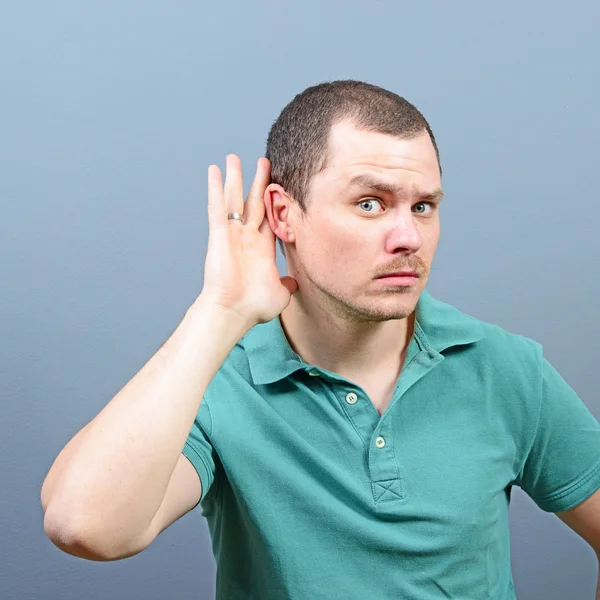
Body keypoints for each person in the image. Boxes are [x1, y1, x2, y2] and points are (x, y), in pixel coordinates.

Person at [41, 80, 600, 599]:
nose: (408, 237)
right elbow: (85, 527)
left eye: (423, 206)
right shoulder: (215, 380)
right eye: (370, 204)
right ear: (283, 213)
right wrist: (219, 310)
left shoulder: (504, 368)